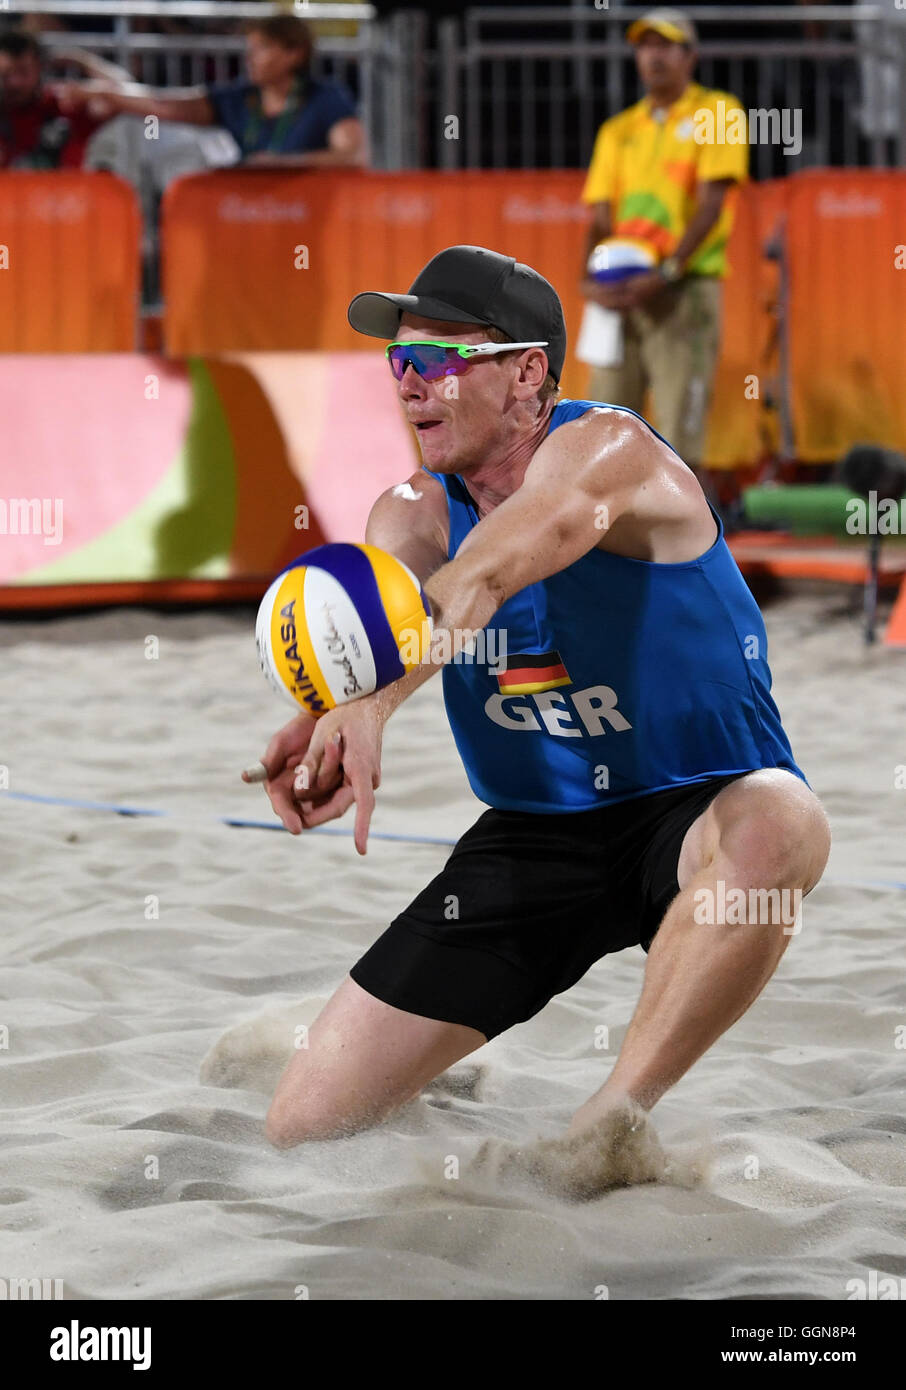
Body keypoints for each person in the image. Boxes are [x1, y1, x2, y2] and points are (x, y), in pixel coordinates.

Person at [249, 244, 831, 1173]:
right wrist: (345, 708)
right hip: (536, 836)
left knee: (787, 821)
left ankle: (612, 1115)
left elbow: (499, 565)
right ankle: (449, 1072)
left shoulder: (610, 451)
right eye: (399, 362)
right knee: (304, 1125)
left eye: (438, 360)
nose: (409, 385)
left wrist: (379, 698)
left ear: (527, 373)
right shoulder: (410, 508)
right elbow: (402, 614)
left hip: (694, 809)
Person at [579, 8, 749, 473]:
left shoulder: (720, 112)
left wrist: (668, 271)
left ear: (690, 56)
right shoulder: (617, 130)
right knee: (603, 426)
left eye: (665, 45)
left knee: (678, 434)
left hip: (682, 288)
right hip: (616, 294)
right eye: (644, 45)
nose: (653, 55)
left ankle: (684, 544)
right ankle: (609, 540)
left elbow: (712, 205)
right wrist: (585, 281)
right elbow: (598, 217)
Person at [53, 14, 365, 170]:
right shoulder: (240, 98)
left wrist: (281, 165)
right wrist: (101, 92)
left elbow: (352, 156)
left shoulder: (326, 99)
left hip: (313, 232)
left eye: (264, 48)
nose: (250, 57)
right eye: (250, 48)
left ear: (295, 53)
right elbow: (160, 103)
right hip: (252, 223)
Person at [0, 30, 126, 169]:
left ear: (39, 68)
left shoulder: (65, 103)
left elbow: (125, 89)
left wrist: (80, 60)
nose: (14, 82)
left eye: (23, 72)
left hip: (65, 189)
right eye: (5, 74)